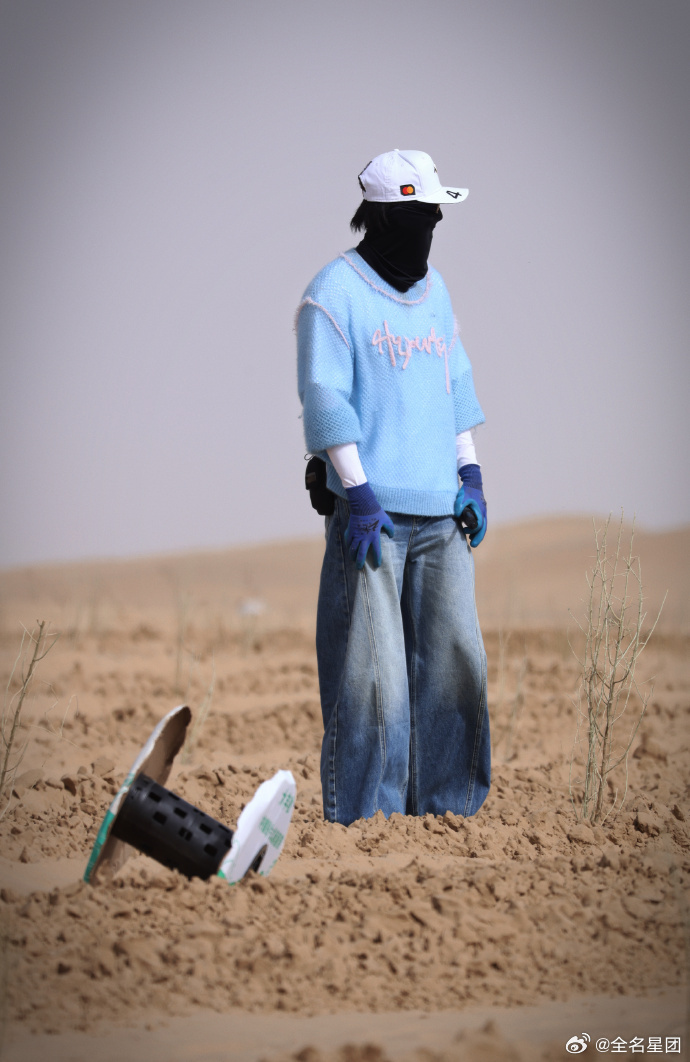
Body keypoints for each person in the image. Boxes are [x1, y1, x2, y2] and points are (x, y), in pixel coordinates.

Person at [296, 149, 490, 827]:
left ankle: (447, 818)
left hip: (442, 517)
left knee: (455, 666)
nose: (428, 229)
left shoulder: (436, 293)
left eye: (433, 217)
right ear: (380, 219)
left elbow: (454, 385)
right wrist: (358, 492)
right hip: (371, 519)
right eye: (416, 218)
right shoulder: (334, 293)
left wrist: (470, 474)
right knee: (374, 681)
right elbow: (326, 400)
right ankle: (367, 825)